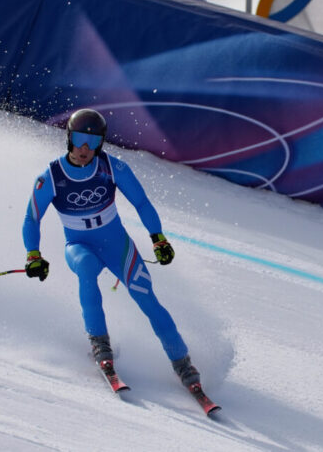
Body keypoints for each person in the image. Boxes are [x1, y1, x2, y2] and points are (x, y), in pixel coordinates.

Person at [21, 108, 201, 389]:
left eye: (92, 142)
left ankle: (183, 364)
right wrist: (33, 254)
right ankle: (100, 346)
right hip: (80, 246)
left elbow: (142, 203)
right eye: (79, 139)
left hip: (117, 246)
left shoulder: (112, 168)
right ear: (69, 138)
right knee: (86, 268)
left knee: (147, 297)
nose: (84, 149)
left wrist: (158, 238)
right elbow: (32, 217)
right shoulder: (51, 176)